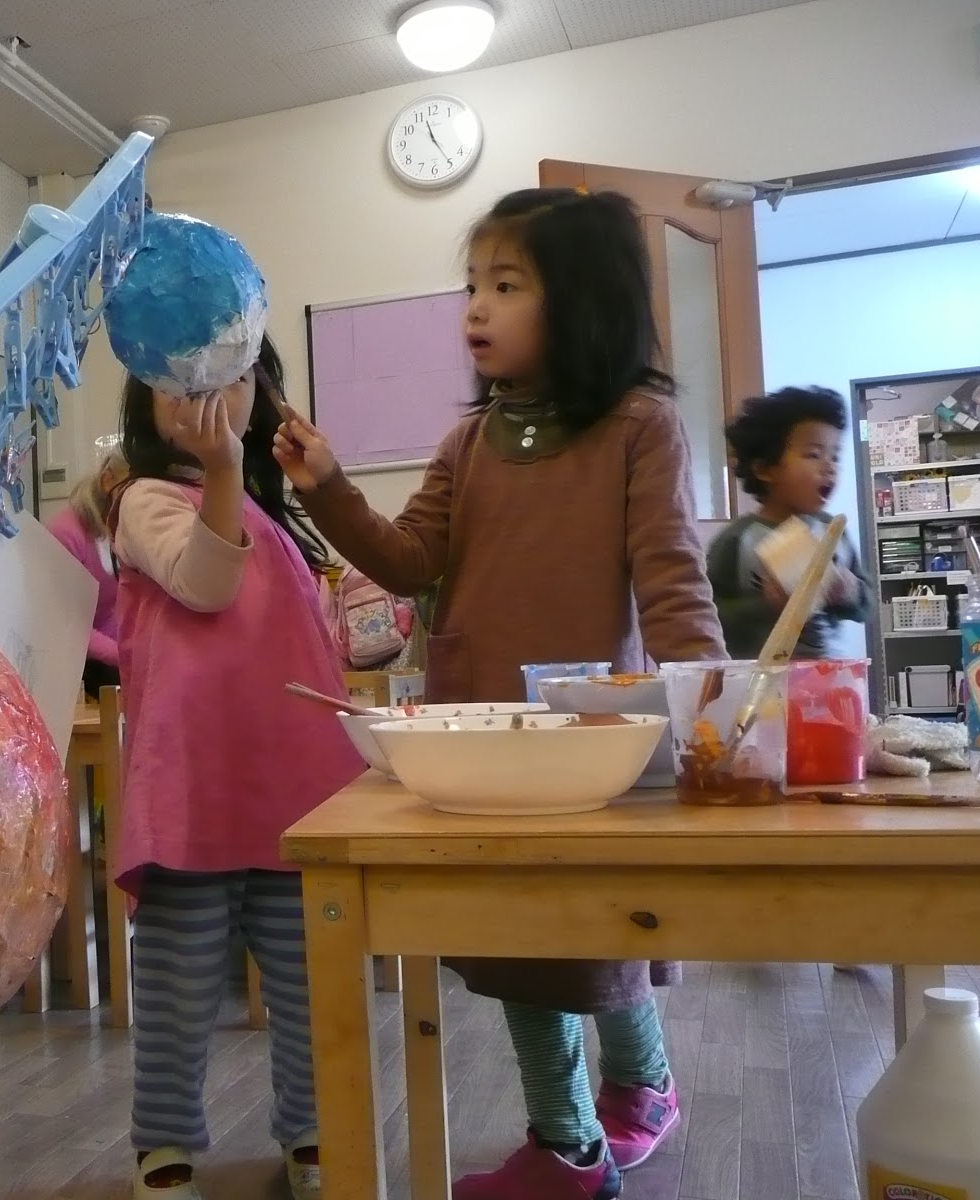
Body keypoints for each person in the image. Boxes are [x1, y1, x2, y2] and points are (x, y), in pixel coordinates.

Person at [272, 189, 727, 1199]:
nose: (474, 306)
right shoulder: (469, 443)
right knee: (529, 940)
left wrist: (711, 712)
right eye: (472, 284)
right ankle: (610, 1111)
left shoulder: (637, 426)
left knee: (584, 934)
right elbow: (406, 557)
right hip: (475, 738)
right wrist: (329, 484)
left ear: (581, 301)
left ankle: (579, 1142)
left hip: (589, 745)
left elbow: (669, 578)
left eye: (505, 285)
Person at [110, 331, 363, 1200]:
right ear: (143, 403)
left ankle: (317, 1131)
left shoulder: (267, 510)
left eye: (230, 377)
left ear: (264, 393)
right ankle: (165, 1140)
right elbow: (205, 584)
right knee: (178, 986)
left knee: (309, 979)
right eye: (176, 379)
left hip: (290, 783)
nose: (206, 394)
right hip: (193, 790)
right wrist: (222, 473)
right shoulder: (147, 499)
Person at [708, 386, 871, 658]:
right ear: (765, 469)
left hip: (827, 678)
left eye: (835, 456)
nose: (829, 466)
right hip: (761, 687)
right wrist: (766, 605)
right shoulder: (738, 540)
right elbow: (709, 614)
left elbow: (866, 607)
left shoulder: (834, 534)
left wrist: (850, 591)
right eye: (813, 455)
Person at [44, 446, 128, 697]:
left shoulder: (128, 526)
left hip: (114, 650)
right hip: (76, 659)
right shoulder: (66, 533)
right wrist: (124, 655)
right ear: (108, 480)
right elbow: (64, 625)